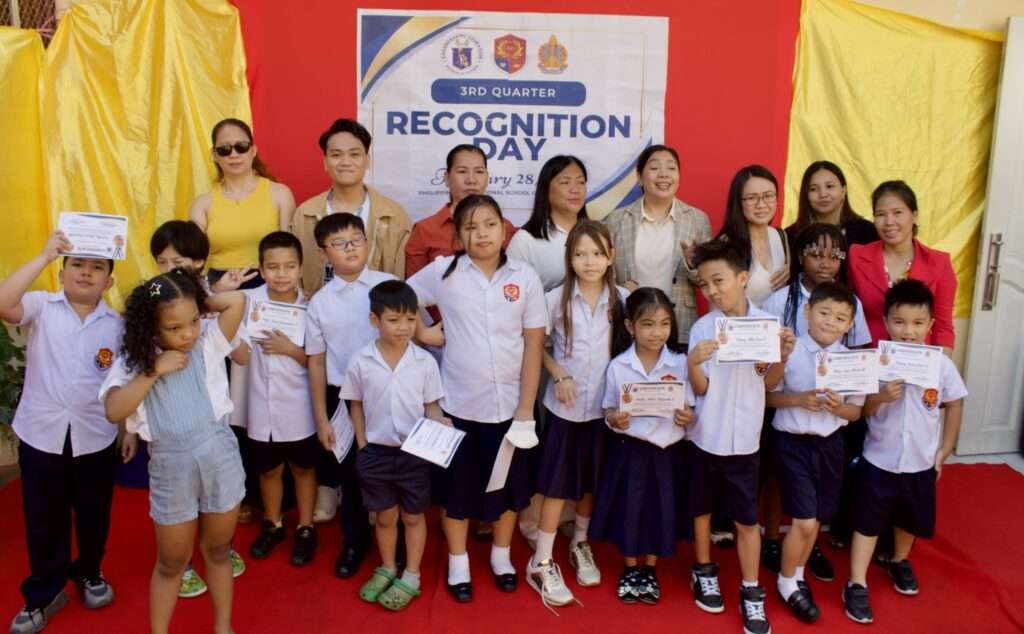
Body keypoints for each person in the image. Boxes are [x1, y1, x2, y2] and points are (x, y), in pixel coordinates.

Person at [407, 194, 546, 603]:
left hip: (511, 407)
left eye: (489, 224)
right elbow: (398, 297)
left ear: (503, 229)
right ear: (458, 235)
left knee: (509, 490)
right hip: (458, 404)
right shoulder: (443, 272)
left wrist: (526, 409)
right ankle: (458, 561)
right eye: (470, 227)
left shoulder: (525, 277)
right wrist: (423, 333)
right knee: (456, 491)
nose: (481, 233)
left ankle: (501, 558)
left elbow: (533, 345)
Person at [2, 233, 134, 634]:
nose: (86, 273)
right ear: (61, 274)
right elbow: (4, 303)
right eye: (77, 265)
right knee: (43, 519)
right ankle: (43, 592)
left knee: (94, 514)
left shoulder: (117, 325)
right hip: (41, 434)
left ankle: (90, 572)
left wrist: (128, 429)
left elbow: (122, 381)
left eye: (97, 268)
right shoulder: (41, 306)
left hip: (95, 436)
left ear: (109, 281)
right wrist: (44, 254)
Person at [100, 269, 246, 634]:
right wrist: (154, 370)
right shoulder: (135, 361)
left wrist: (194, 299)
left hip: (220, 457)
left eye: (194, 321)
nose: (188, 334)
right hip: (171, 467)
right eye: (174, 327)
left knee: (218, 550)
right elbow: (114, 410)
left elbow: (237, 301)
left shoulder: (208, 343)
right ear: (150, 326)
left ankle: (223, 627)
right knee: (172, 561)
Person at [686, 239, 796, 634]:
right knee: (701, 509)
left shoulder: (767, 326)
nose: (712, 291)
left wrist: (782, 356)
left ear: (743, 278)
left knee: (747, 518)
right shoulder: (703, 328)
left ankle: (751, 589)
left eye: (719, 281)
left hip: (747, 439)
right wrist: (693, 362)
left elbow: (769, 383)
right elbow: (700, 388)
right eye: (705, 284)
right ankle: (703, 569)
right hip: (706, 436)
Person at [842, 280, 966, 625]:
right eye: (899, 322)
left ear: (930, 325)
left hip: (919, 461)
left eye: (917, 323)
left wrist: (945, 449)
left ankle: (899, 560)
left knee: (910, 517)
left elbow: (955, 402)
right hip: (878, 458)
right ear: (886, 321)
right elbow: (863, 412)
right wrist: (881, 396)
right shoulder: (877, 362)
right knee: (867, 521)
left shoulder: (941, 365)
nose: (908, 331)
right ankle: (856, 581)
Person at [525, 221, 626, 608]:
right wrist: (558, 374)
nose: (589, 261)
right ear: (569, 258)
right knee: (557, 486)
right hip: (565, 409)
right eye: (581, 254)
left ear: (611, 256)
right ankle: (541, 560)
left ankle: (580, 543)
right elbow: (535, 345)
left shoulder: (622, 300)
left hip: (604, 410)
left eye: (597, 254)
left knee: (589, 484)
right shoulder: (555, 299)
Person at [148, 220, 248, 596]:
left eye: (178, 262)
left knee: (218, 495)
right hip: (170, 425)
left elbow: (242, 354)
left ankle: (219, 548)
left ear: (200, 262)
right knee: (178, 502)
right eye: (162, 262)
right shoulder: (151, 304)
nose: (169, 269)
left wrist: (199, 304)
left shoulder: (215, 300)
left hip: (212, 420)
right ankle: (184, 563)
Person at [765, 282, 865, 623]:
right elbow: (767, 396)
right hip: (792, 442)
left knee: (817, 517)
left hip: (830, 444)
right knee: (804, 520)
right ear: (807, 312)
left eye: (840, 318)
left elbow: (856, 412)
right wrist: (798, 399)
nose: (830, 322)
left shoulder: (853, 361)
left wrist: (838, 408)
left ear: (849, 324)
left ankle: (797, 573)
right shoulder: (789, 351)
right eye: (823, 313)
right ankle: (786, 582)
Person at [343, 280, 445, 611]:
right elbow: (355, 404)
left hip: (415, 454)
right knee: (385, 517)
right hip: (375, 453)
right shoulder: (361, 360)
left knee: (414, 517)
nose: (404, 327)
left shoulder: (424, 362)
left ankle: (412, 574)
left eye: (410, 319)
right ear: (374, 320)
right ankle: (387, 567)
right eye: (393, 320)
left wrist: (441, 425)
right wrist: (362, 445)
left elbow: (431, 406)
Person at [589, 288, 694, 607]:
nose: (657, 332)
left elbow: (691, 406)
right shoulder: (619, 365)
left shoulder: (680, 363)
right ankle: (630, 567)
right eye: (647, 324)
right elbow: (608, 408)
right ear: (630, 326)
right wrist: (615, 419)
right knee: (630, 508)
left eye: (664, 323)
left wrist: (688, 416)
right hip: (630, 449)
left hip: (667, 450)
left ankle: (650, 568)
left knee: (661, 509)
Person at [306, 213, 396, 579]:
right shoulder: (320, 303)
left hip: (390, 392)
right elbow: (315, 362)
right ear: (323, 253)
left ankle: (395, 542)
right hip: (342, 397)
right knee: (352, 474)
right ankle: (355, 541)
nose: (351, 249)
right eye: (339, 244)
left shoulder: (389, 284)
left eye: (356, 240)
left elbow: (413, 335)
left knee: (392, 468)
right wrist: (321, 418)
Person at [233, 232, 319, 566]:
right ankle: (273, 523)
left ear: (300, 268)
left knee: (303, 468)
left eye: (289, 266)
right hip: (258, 403)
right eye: (272, 267)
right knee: (269, 470)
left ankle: (306, 527)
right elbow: (233, 344)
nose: (281, 274)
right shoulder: (247, 302)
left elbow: (319, 362)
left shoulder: (312, 306)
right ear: (261, 269)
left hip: (299, 405)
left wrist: (290, 349)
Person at [603, 144, 711, 343]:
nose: (663, 174)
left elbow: (706, 282)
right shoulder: (616, 220)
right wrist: (622, 293)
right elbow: (605, 274)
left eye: (671, 168)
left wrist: (693, 264)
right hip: (631, 326)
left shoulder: (697, 220)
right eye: (654, 168)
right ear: (639, 177)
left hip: (679, 325)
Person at [293, 118, 412, 292]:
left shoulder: (393, 215)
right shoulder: (305, 214)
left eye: (354, 154)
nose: (345, 162)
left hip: (377, 308)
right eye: (336, 155)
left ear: (367, 160)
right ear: (325, 162)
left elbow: (402, 276)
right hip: (320, 307)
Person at [847, 181, 956, 352]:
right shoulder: (856, 256)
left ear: (914, 215)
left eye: (897, 212)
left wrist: (940, 365)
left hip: (917, 359)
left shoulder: (940, 263)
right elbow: (845, 311)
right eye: (881, 214)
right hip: (868, 356)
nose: (889, 221)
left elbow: (943, 328)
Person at [189, 118, 295, 289]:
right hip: (221, 285)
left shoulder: (280, 193)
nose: (233, 154)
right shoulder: (202, 203)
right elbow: (191, 257)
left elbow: (291, 251)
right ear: (214, 155)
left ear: (253, 150)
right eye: (224, 149)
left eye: (241, 147)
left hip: (271, 283)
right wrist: (213, 290)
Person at [404, 144, 516, 279]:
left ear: (487, 178)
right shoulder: (424, 230)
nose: (471, 180)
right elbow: (415, 287)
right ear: (446, 178)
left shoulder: (506, 228)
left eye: (479, 172)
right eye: (462, 171)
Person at [507, 155, 589, 291]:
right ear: (545, 189)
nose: (575, 189)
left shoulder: (596, 234)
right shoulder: (525, 240)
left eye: (581, 182)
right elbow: (510, 292)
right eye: (565, 182)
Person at [715, 164, 790, 306]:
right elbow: (719, 300)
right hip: (738, 320)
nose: (761, 205)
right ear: (738, 202)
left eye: (768, 196)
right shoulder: (726, 243)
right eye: (751, 198)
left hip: (777, 320)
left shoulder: (780, 236)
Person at [785, 161, 878, 257]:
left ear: (843, 191)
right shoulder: (791, 235)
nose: (823, 194)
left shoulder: (867, 231)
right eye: (813, 189)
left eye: (829, 186)